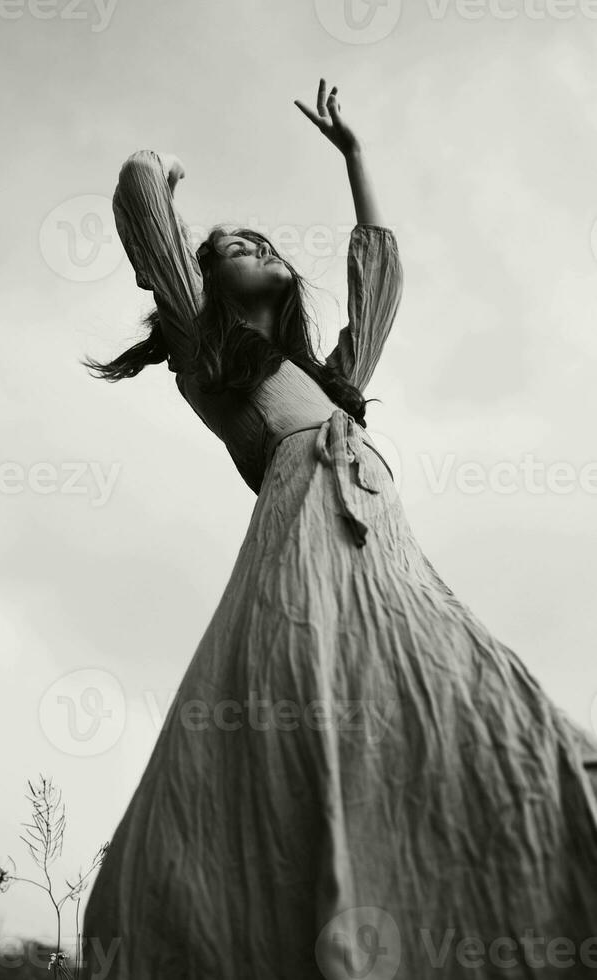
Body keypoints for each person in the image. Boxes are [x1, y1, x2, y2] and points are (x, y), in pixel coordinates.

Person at [80, 79, 597, 980]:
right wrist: (170, 169)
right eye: (233, 246)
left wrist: (354, 157)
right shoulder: (208, 350)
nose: (257, 245)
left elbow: (381, 284)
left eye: (265, 240)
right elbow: (137, 188)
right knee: (305, 690)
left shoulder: (330, 374)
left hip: (386, 543)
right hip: (305, 529)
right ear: (203, 282)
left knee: (460, 692)